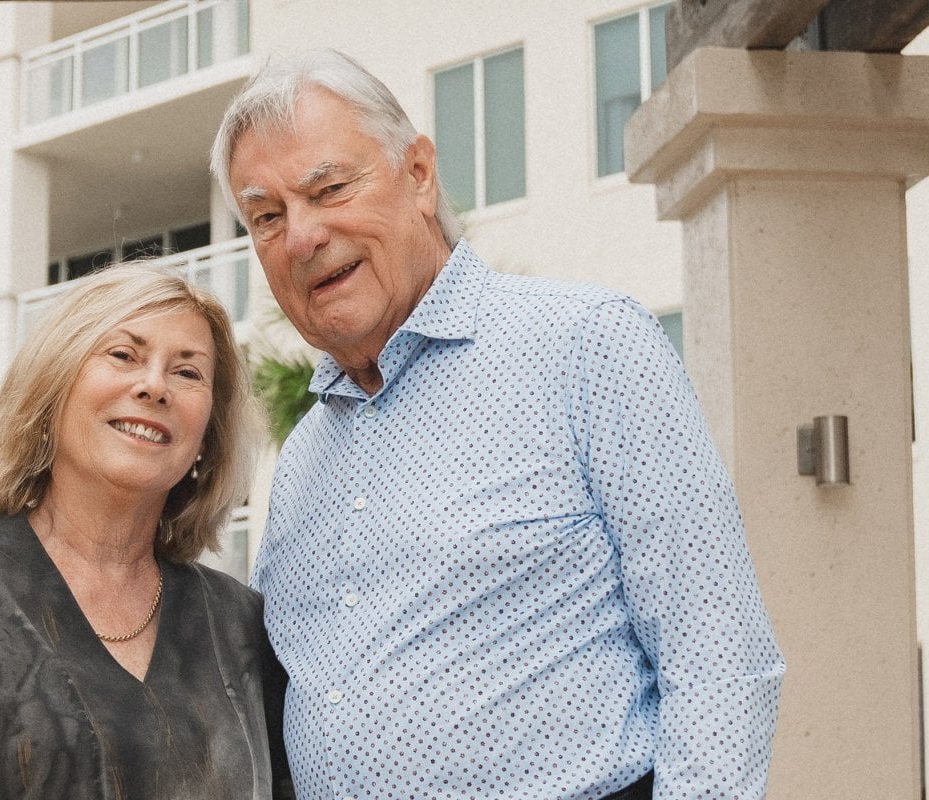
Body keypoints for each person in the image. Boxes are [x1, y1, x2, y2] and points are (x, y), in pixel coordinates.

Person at [212, 49, 785, 799]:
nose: (301, 237)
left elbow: (720, 658)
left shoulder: (586, 344)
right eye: (266, 216)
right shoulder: (302, 459)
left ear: (419, 174)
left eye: (330, 189)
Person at [0, 265, 291, 799]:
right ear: (53, 388)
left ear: (206, 437)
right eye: (123, 355)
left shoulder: (240, 626)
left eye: (188, 373)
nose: (154, 386)